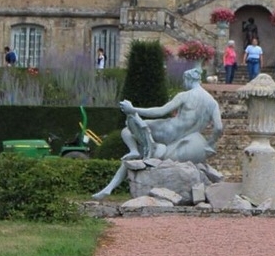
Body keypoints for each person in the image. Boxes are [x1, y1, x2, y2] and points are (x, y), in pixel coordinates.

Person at [92, 68, 224, 198]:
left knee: (127, 129)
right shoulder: (212, 102)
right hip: (183, 138)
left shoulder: (185, 95)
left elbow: (161, 111)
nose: (184, 84)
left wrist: (133, 109)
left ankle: (133, 151)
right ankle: (110, 187)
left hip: (169, 130)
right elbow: (218, 128)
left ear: (188, 79)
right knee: (144, 146)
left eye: (184, 81)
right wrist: (209, 144)